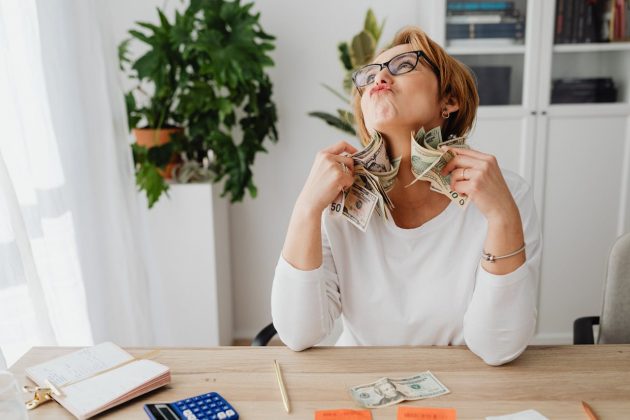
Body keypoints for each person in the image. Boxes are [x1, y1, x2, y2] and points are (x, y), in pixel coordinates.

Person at [271, 26, 542, 366]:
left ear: (449, 100)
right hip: (357, 380)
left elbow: (498, 348)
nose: (379, 77)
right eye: (369, 75)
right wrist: (306, 208)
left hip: (463, 384)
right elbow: (298, 334)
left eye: (403, 65)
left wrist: (503, 216)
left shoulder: (507, 194)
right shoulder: (334, 199)